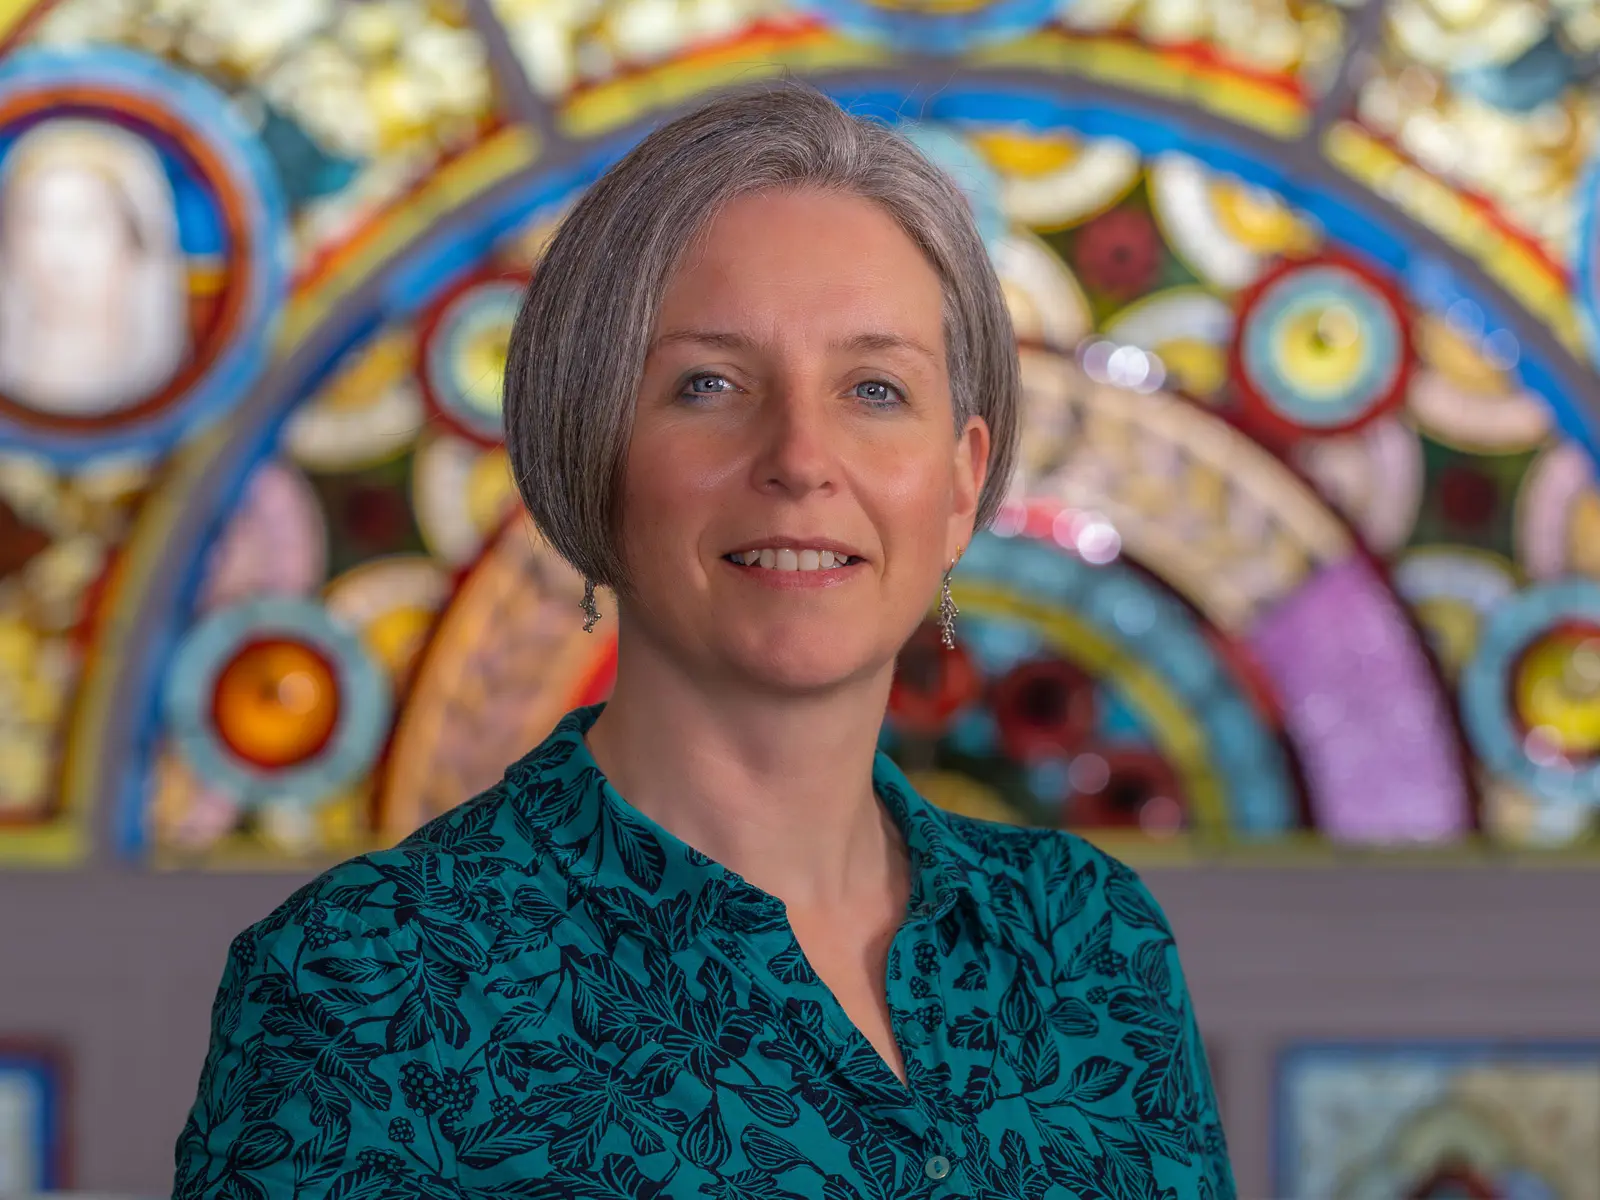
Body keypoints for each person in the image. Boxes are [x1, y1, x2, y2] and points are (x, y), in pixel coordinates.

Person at [176, 81, 1234, 1197]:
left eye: (874, 388)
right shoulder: (363, 990)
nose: (799, 456)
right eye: (710, 384)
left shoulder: (1090, 945)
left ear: (962, 482)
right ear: (594, 453)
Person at [0, 118, 189, 417]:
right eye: (37, 222)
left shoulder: (165, 388)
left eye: (85, 222)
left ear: (135, 243)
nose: (61, 255)